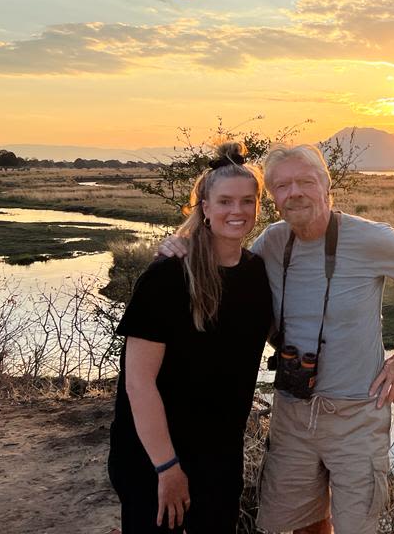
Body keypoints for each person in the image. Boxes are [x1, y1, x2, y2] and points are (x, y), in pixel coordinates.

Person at [160, 143, 394, 534]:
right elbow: (225, 267)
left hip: (356, 415)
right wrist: (184, 246)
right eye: (282, 185)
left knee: (357, 526)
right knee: (300, 524)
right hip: (293, 411)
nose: (294, 192)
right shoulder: (272, 243)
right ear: (272, 199)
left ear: (327, 186)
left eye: (305, 182)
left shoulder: (370, 238)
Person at [108, 142, 272, 533]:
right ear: (205, 207)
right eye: (226, 201)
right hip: (154, 454)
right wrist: (167, 468)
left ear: (258, 207)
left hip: (219, 455)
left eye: (247, 202)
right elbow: (138, 382)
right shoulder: (167, 277)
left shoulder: (256, 274)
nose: (238, 211)